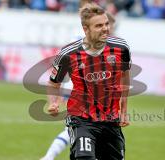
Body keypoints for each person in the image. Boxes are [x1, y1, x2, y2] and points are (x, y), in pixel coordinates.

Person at [47, 3, 131, 160]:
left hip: (111, 121)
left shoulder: (121, 48)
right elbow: (53, 83)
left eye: (106, 24)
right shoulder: (68, 54)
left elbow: (125, 77)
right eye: (99, 25)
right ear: (86, 29)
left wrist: (124, 111)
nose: (105, 28)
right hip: (81, 119)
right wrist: (53, 102)